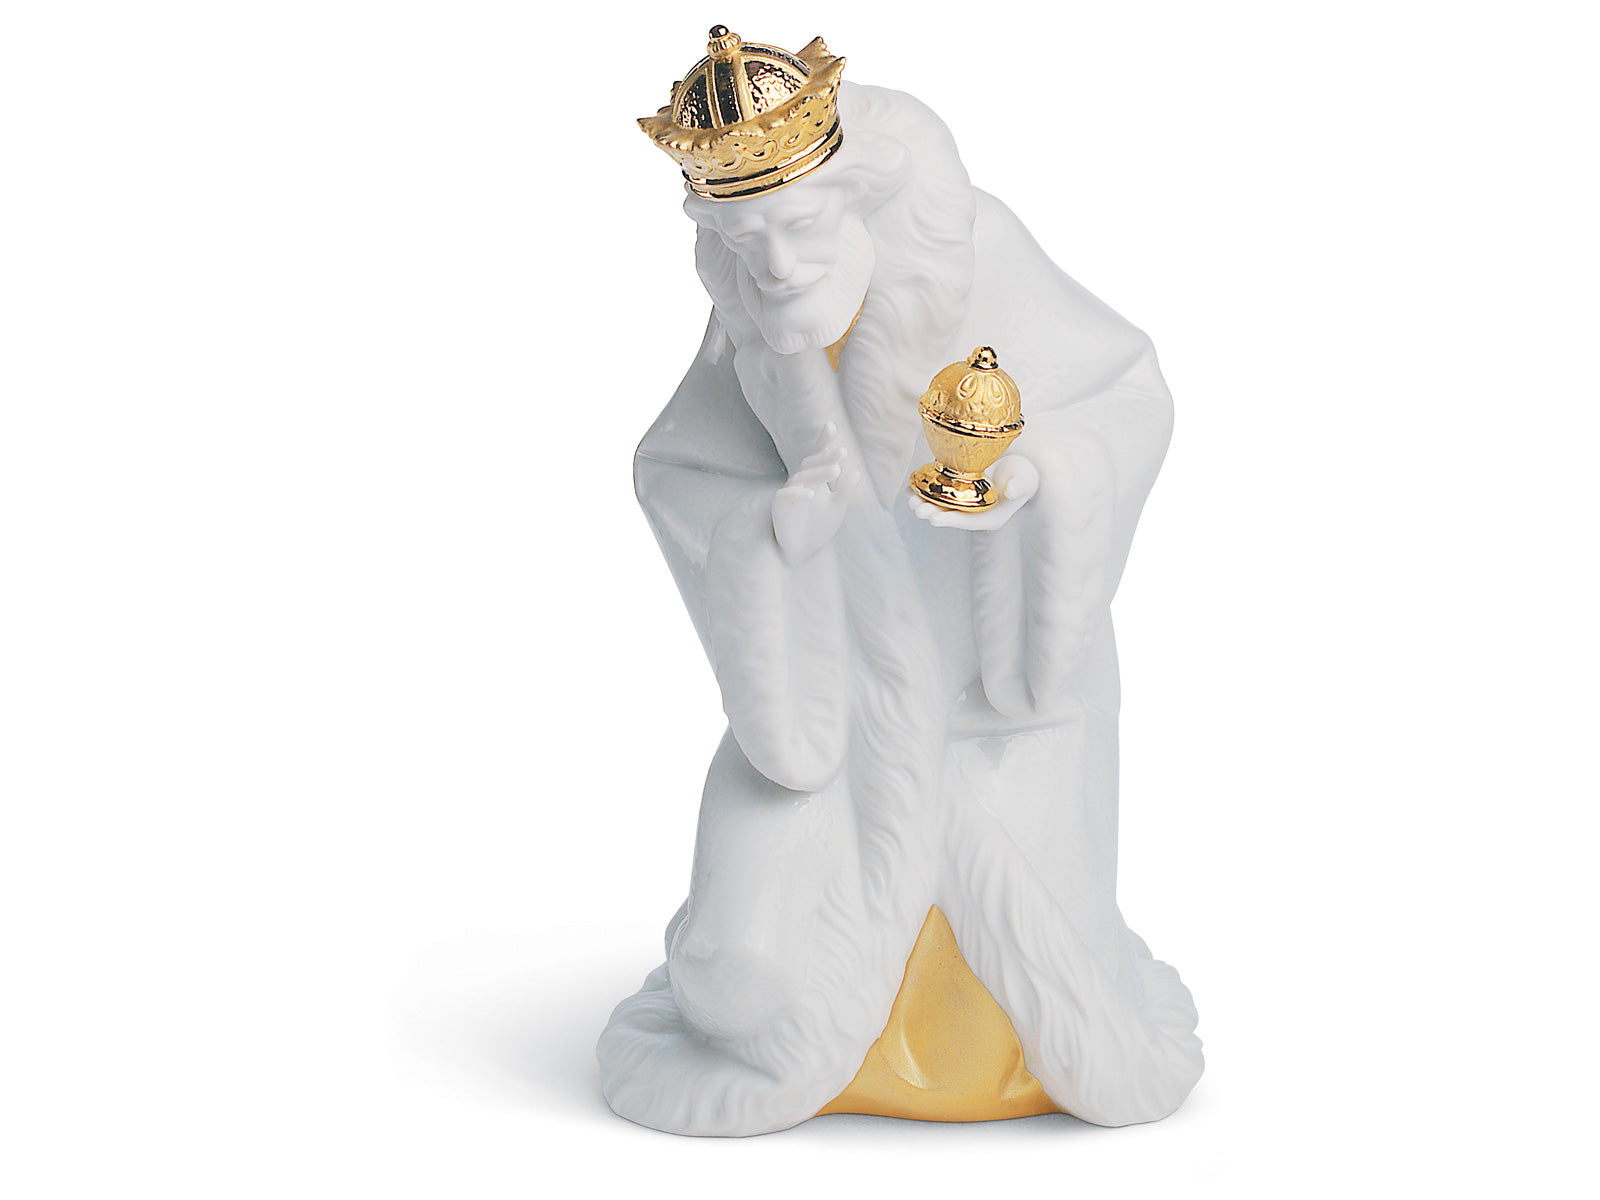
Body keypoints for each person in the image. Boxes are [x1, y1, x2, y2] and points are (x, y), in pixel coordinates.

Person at [599, 29, 1202, 1136]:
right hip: (827, 706)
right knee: (737, 978)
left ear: (855, 197)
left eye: (797, 230)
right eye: (742, 241)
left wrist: (1031, 481)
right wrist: (767, 529)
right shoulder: (755, 311)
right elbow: (677, 471)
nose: (777, 268)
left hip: (997, 695)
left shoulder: (972, 250)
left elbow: (1126, 397)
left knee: (1023, 984)